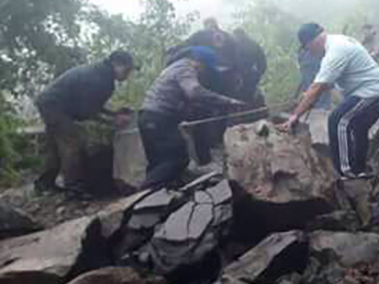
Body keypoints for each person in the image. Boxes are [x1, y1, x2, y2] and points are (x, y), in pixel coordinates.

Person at [279, 23, 379, 178]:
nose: (309, 53)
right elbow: (325, 84)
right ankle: (359, 170)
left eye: (307, 48)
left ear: (312, 42)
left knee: (338, 120)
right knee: (358, 127)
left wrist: (295, 115)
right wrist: (309, 95)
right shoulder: (339, 41)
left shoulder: (334, 51)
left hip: (372, 90)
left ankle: (345, 173)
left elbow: (317, 87)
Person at [138, 46, 246, 190]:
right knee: (177, 158)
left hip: (149, 117)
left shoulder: (175, 67)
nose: (203, 71)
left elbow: (187, 100)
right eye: (205, 67)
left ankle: (155, 197)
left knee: (159, 162)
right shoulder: (185, 68)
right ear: (199, 61)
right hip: (158, 118)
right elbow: (194, 92)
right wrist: (227, 101)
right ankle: (146, 191)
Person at [34, 50, 137, 194]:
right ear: (115, 64)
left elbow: (93, 106)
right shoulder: (99, 78)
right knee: (71, 144)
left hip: (52, 103)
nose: (128, 74)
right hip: (54, 105)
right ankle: (74, 189)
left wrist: (114, 113)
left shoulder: (102, 75)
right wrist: (113, 121)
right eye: (127, 69)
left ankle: (44, 184)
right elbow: (87, 112)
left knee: (56, 146)